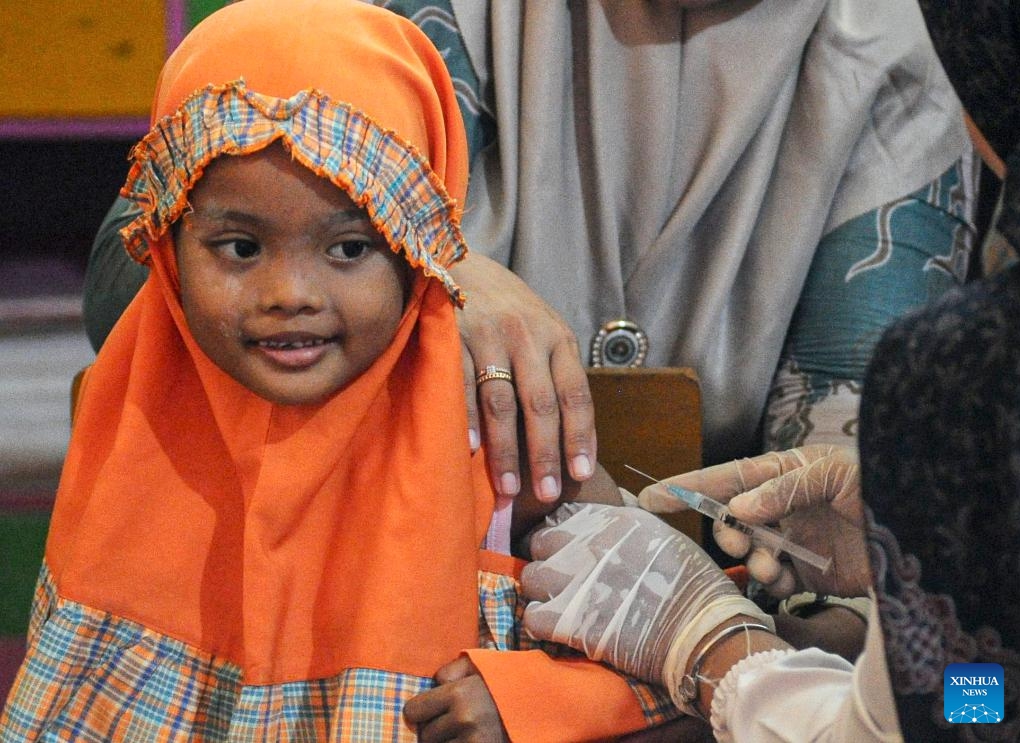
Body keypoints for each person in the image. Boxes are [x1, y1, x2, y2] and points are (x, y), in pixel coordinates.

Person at [0, 2, 686, 740]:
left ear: (421, 247)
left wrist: (534, 703)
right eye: (238, 248)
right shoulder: (138, 418)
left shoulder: (498, 431)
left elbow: (683, 648)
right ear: (166, 243)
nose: (290, 294)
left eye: (351, 248)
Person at [82, 0, 975, 505]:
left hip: (713, 618)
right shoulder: (416, 14)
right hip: (383, 550)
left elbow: (845, 486)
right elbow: (132, 278)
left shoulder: (900, 46)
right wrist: (442, 274)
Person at [520, 140, 1020, 742]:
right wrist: (921, 587)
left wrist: (714, 647)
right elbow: (985, 703)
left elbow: (944, 727)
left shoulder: (988, 373)